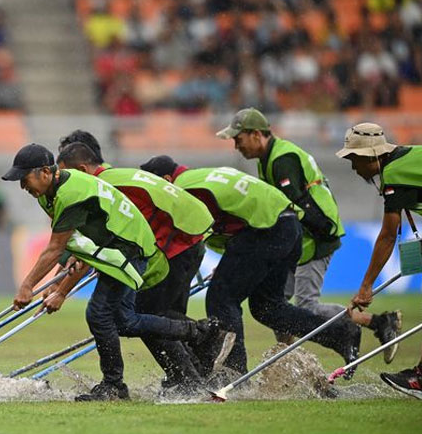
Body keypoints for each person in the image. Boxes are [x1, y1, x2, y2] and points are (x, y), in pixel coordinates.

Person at [2, 143, 232, 401]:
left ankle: (114, 384)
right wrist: (61, 289)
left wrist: (27, 286)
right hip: (117, 246)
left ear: (45, 171)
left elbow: (55, 248)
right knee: (125, 320)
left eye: (24, 179)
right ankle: (200, 333)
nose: (23, 187)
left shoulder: (69, 194)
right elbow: (75, 242)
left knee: (99, 314)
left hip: (129, 248)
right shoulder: (51, 192)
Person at [142, 156, 362, 378]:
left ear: (167, 179)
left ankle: (233, 374)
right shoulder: (201, 175)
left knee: (221, 299)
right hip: (288, 224)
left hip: (266, 229)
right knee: (268, 308)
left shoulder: (182, 188)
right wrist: (233, 261)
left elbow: (187, 241)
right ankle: (341, 334)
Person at [217, 108, 401, 361]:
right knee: (276, 303)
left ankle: (370, 325)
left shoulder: (281, 160)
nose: (236, 146)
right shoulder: (272, 157)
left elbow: (291, 207)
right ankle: (288, 356)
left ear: (256, 134)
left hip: (315, 236)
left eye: (238, 139)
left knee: (302, 305)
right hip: (305, 237)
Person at [57, 141, 219, 393]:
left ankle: (189, 374)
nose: (64, 181)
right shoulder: (115, 175)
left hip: (178, 240)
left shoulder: (103, 185)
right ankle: (200, 357)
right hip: (190, 236)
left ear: (82, 169)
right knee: (157, 312)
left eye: (66, 174)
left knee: (144, 312)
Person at [336, 122, 422, 399]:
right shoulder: (410, 159)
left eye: (355, 160)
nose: (353, 168)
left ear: (372, 156)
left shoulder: (395, 172)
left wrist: (366, 286)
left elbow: (387, 235)